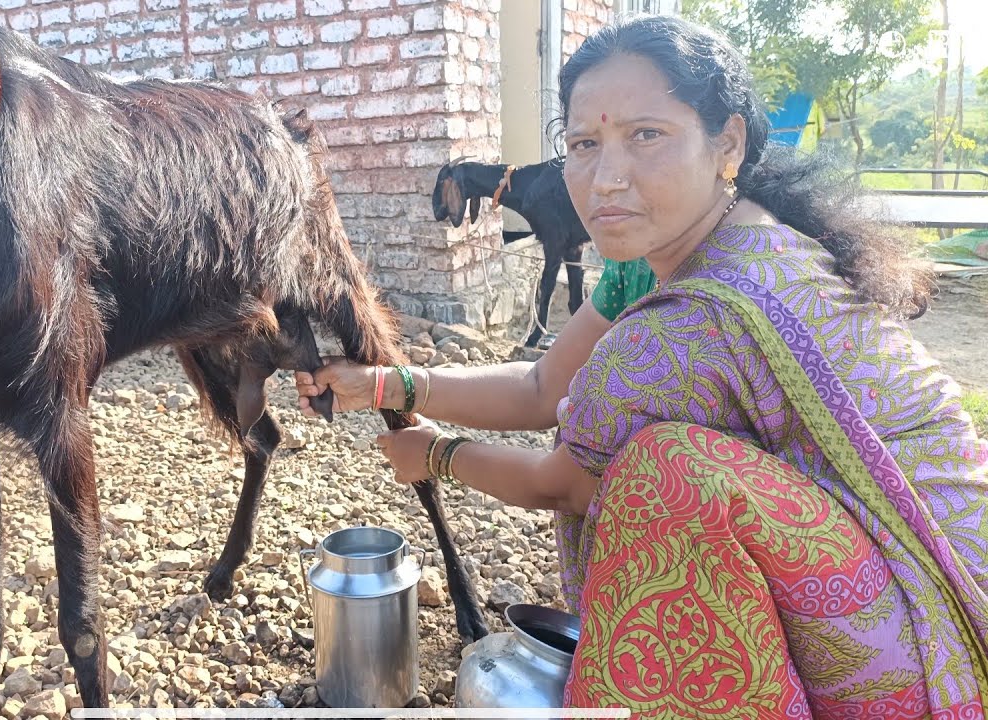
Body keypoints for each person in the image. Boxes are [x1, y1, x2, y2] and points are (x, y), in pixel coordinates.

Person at [295, 15, 988, 718]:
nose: (606, 178)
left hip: (928, 625)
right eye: (584, 144)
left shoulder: (686, 327)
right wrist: (387, 385)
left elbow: (559, 483)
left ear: (729, 144)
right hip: (916, 559)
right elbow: (542, 386)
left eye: (646, 135)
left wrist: (434, 454)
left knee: (664, 478)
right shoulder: (706, 246)